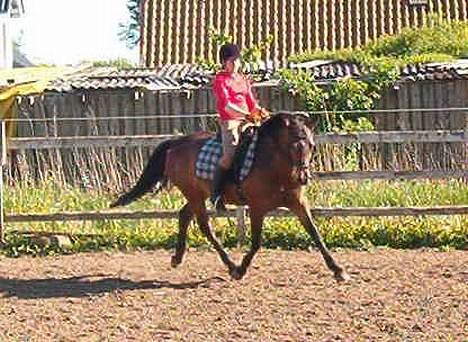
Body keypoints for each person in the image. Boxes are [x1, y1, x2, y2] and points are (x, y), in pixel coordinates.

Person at [210, 43, 269, 211]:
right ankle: (215, 194)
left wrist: (260, 111)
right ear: (224, 62)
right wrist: (246, 115)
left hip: (248, 119)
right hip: (230, 121)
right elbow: (227, 106)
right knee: (230, 154)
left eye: (237, 60)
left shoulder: (243, 79)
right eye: (231, 60)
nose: (235, 63)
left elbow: (252, 102)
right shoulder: (220, 80)